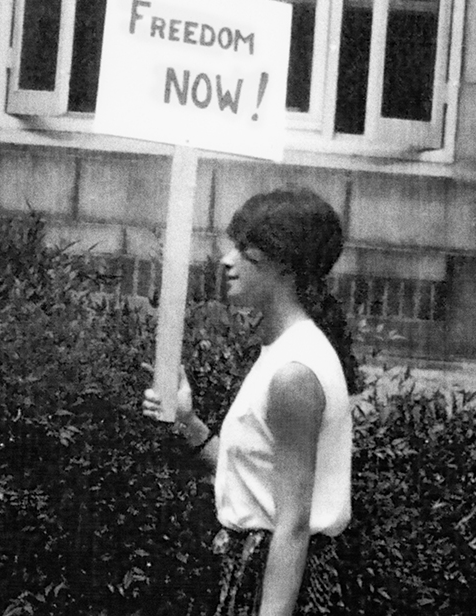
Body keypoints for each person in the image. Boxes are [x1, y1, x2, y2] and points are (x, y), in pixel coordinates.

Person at [143, 188, 355, 616]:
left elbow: (292, 525)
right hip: (256, 571)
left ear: (283, 263)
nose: (227, 259)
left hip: (277, 585)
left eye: (245, 249)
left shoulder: (294, 372)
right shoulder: (280, 351)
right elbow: (258, 483)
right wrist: (189, 423)